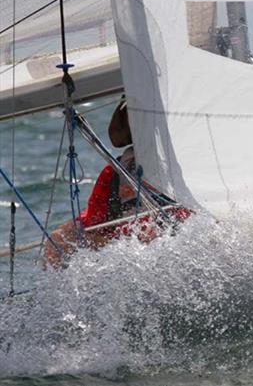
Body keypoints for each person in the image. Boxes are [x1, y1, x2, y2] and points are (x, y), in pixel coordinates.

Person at [44, 98, 186, 269]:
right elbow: (95, 226)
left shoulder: (186, 164)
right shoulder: (114, 173)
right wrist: (122, 241)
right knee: (56, 240)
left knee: (153, 233)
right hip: (126, 239)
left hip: (174, 231)